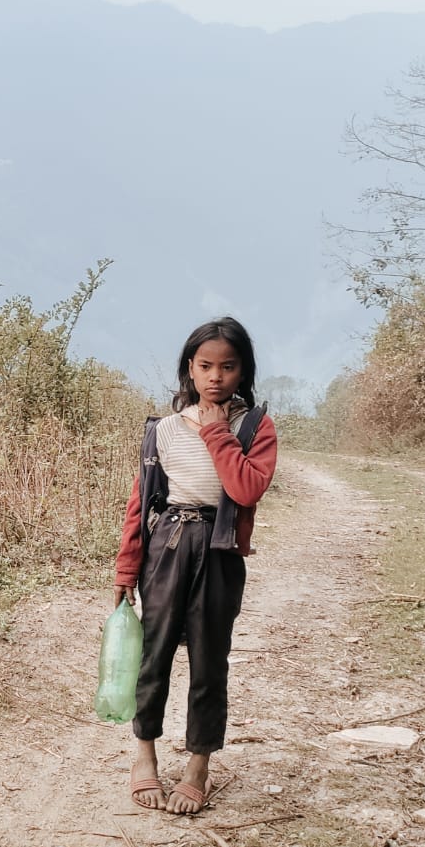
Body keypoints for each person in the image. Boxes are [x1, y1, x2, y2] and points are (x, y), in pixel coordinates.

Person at [111, 317, 277, 814]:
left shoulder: (254, 427)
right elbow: (140, 506)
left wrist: (217, 434)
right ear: (189, 367)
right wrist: (125, 569)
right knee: (153, 654)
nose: (216, 377)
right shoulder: (161, 430)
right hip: (167, 545)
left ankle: (199, 764)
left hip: (220, 552)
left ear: (243, 370)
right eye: (205, 365)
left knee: (209, 663)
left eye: (228, 366)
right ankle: (144, 755)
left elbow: (246, 488)